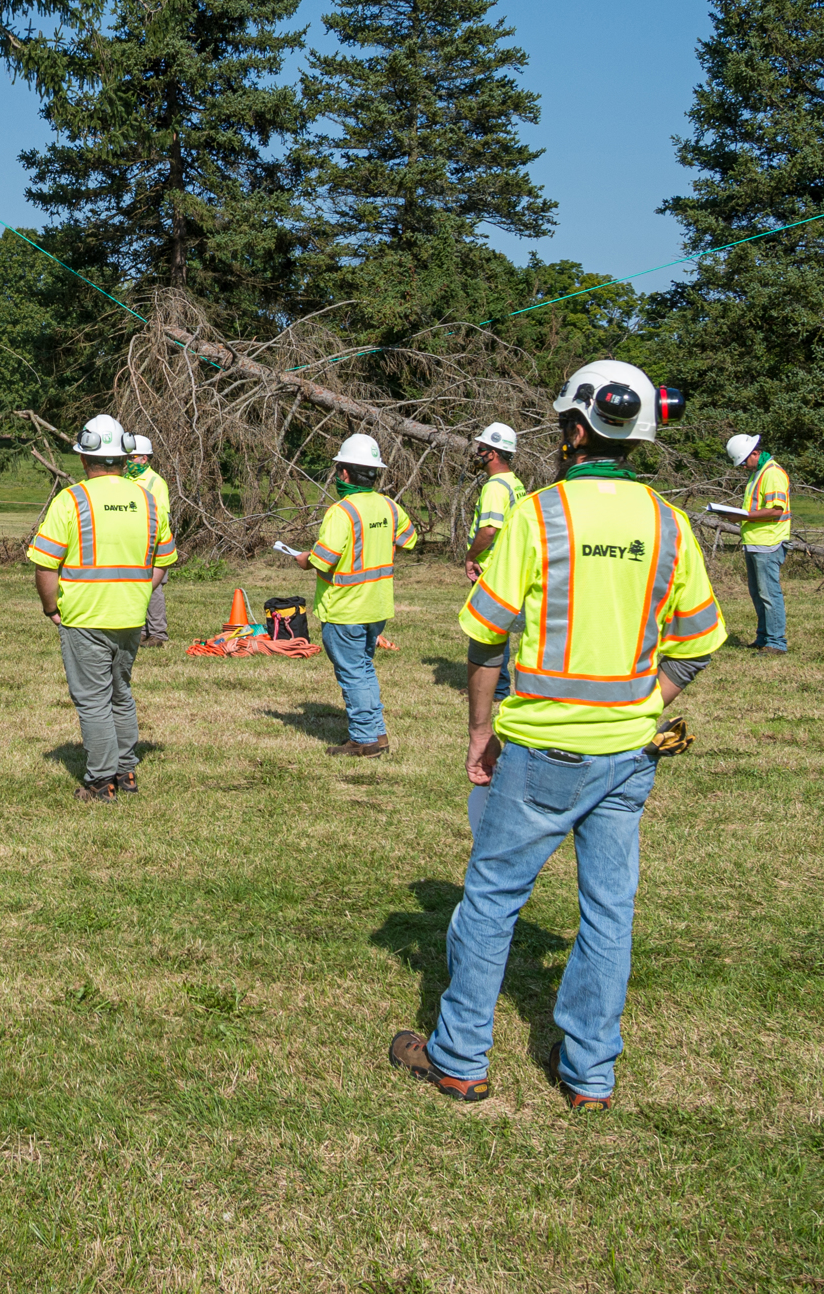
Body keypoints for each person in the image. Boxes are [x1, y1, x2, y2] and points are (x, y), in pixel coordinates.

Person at [390, 359, 723, 1109]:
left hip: (543, 751)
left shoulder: (538, 516)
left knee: (490, 898)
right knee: (608, 913)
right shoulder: (670, 524)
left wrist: (481, 729)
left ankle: (460, 1059)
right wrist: (648, 698)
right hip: (630, 755)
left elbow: (484, 635)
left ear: (575, 430)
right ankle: (589, 1077)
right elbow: (699, 640)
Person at [27, 415, 177, 801]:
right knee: (119, 693)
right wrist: (142, 591)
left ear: (83, 458)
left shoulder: (71, 500)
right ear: (124, 458)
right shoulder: (147, 499)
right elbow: (163, 560)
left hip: (84, 616)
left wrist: (51, 608)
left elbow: (45, 564)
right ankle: (126, 772)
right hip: (130, 615)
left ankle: (100, 780)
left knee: (93, 700)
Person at [305, 433, 420, 759]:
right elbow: (408, 539)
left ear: (344, 473)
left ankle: (364, 739)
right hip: (377, 605)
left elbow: (323, 562)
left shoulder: (342, 512)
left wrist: (304, 560)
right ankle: (377, 733)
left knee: (353, 673)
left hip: (346, 608)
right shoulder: (389, 506)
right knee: (364, 668)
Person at [461, 422, 525, 790]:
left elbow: (489, 529)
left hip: (495, 570)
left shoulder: (496, 486)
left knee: (486, 636)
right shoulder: (515, 482)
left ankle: (497, 692)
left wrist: (472, 556)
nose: (477, 453)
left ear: (493, 452)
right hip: (510, 570)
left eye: (481, 448)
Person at [726, 432, 792, 652]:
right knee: (758, 593)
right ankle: (764, 637)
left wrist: (742, 516)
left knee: (769, 593)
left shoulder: (772, 474)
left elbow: (775, 510)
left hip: (769, 543)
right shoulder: (759, 472)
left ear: (755, 453)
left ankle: (776, 642)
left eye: (744, 461)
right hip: (756, 541)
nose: (743, 466)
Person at [127, 436, 174, 647]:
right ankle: (142, 631)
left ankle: (158, 633)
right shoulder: (127, 479)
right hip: (132, 541)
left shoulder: (156, 482)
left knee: (153, 589)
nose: (128, 461)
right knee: (136, 587)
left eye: (132, 457)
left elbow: (161, 515)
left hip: (151, 541)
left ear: (144, 458)